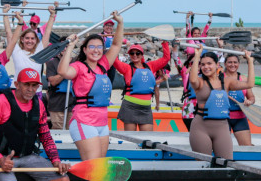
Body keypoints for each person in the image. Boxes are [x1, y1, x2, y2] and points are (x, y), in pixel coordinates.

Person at [58, 11, 125, 160]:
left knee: (99, 164)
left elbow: (116, 44)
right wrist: (70, 46)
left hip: (102, 122)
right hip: (84, 121)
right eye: (92, 46)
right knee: (93, 164)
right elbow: (63, 71)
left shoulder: (103, 65)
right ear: (85, 49)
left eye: (99, 47)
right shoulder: (79, 66)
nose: (96, 50)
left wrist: (120, 23)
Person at [188, 48, 254, 160]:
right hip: (201, 128)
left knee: (226, 163)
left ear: (217, 64)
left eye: (209, 63)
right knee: (203, 164)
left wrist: (250, 61)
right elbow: (193, 79)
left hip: (222, 128)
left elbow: (250, 83)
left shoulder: (227, 81)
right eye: (203, 64)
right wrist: (197, 56)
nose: (206, 67)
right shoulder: (199, 82)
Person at [114, 41, 171, 131]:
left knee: (147, 140)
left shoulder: (151, 66)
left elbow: (166, 58)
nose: (135, 55)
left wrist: (164, 42)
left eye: (138, 53)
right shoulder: (127, 68)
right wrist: (116, 45)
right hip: (130, 107)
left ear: (142, 55)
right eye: (132, 53)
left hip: (146, 109)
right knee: (131, 141)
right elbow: (114, 60)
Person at [11, 3, 57, 78]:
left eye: (34, 24)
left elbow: (51, 22)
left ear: (38, 23)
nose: (32, 25)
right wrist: (23, 7)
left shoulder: (41, 29)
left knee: (47, 65)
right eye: (31, 23)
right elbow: (21, 19)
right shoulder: (26, 29)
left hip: (40, 52)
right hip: (29, 53)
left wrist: (55, 9)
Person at [224, 53, 256, 145]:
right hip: (223, 118)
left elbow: (252, 97)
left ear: (239, 64)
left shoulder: (244, 79)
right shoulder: (220, 78)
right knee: (223, 148)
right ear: (225, 64)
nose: (232, 65)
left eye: (235, 62)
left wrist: (250, 101)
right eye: (229, 62)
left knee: (247, 147)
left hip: (240, 118)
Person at [45, 40, 76, 130]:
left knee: (72, 131)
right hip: (57, 104)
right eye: (62, 46)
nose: (64, 48)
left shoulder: (76, 62)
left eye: (66, 46)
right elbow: (53, 81)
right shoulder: (52, 62)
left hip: (73, 104)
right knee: (58, 131)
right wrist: (65, 70)